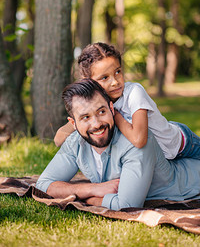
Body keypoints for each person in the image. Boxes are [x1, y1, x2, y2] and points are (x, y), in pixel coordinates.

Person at [36, 79, 200, 210]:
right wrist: (90, 189)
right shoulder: (75, 143)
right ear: (73, 123)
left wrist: (91, 200)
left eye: (101, 112)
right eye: (85, 117)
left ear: (111, 108)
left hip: (192, 183)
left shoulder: (135, 143)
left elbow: (127, 205)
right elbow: (43, 185)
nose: (96, 124)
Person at [54, 42, 200, 160]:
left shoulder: (134, 93)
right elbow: (58, 140)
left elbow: (139, 139)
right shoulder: (95, 105)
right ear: (89, 81)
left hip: (181, 143)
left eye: (118, 72)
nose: (115, 82)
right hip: (163, 157)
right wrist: (78, 123)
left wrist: (115, 114)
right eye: (105, 78)